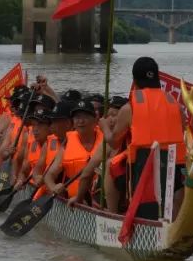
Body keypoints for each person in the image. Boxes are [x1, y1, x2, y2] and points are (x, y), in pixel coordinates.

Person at [75, 57, 185, 216]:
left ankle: (113, 216)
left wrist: (105, 127)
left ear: (134, 81)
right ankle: (175, 218)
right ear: (157, 78)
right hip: (174, 166)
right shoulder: (176, 104)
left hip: (141, 167)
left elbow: (113, 142)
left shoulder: (130, 107)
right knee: (180, 178)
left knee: (111, 167)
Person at [42, 100, 103, 200]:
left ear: (95, 119)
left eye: (85, 117)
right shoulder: (67, 144)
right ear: (73, 122)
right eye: (77, 117)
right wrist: (54, 187)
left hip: (98, 200)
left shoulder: (105, 142)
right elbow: (49, 176)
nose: (81, 121)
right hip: (73, 201)